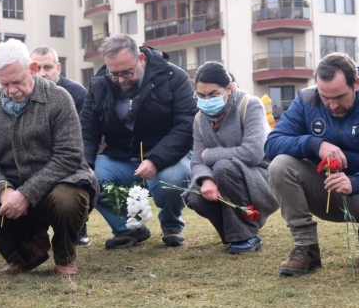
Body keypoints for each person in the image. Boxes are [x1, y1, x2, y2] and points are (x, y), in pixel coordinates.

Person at [0, 39, 97, 276]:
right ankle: (25, 254)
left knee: (67, 200)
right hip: (11, 187)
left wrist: (27, 193)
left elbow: (69, 155)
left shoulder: (59, 99)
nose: (11, 90)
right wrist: (3, 190)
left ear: (32, 70)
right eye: (4, 83)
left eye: (18, 81)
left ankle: (64, 256)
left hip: (59, 184)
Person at [265, 52, 359, 276]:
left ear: (357, 83)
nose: (332, 105)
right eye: (325, 97)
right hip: (323, 190)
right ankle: (306, 247)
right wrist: (314, 144)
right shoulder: (306, 100)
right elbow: (272, 144)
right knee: (279, 165)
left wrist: (357, 182)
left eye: (340, 97)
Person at [81, 34, 197, 249]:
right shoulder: (99, 84)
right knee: (89, 180)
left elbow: (186, 125)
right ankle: (128, 229)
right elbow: (87, 129)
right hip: (119, 157)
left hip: (167, 157)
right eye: (113, 74)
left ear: (141, 59)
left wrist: (156, 159)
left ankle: (172, 225)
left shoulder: (174, 77)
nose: (121, 80)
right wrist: (86, 163)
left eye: (127, 72)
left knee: (172, 179)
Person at [182, 62, 279, 254]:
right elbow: (196, 161)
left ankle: (247, 235)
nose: (206, 100)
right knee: (196, 195)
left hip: (260, 178)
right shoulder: (200, 118)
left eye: (213, 94)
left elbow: (253, 152)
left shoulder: (250, 105)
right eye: (201, 96)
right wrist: (207, 180)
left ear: (229, 88)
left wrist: (211, 155)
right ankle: (234, 234)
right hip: (224, 178)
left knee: (223, 168)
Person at [29, 46, 90, 246]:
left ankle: (79, 228)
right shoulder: (22, 93)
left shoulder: (76, 93)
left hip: (70, 154)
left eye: (47, 67)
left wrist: (87, 163)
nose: (42, 74)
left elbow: (85, 133)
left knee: (77, 182)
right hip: (35, 156)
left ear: (58, 68)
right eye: (36, 68)